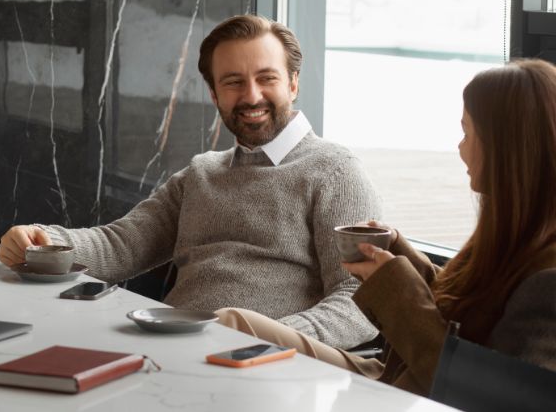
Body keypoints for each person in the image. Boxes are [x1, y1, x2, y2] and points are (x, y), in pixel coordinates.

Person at [0, 14, 382, 349]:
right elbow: (122, 245)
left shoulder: (335, 171)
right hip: (172, 348)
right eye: (233, 82)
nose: (252, 95)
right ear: (215, 95)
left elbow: (362, 298)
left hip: (264, 367)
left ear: (293, 84)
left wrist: (268, 338)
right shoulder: (202, 173)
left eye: (267, 78)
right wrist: (43, 240)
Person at [216, 59, 556, 395]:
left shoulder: (547, 282)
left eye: (467, 132)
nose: (460, 147)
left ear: (506, 147)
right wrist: (400, 255)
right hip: (392, 375)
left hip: (412, 394)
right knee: (234, 323)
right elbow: (469, 316)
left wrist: (394, 288)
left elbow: (487, 394)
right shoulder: (515, 235)